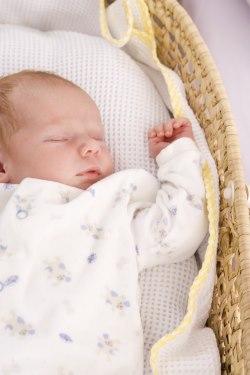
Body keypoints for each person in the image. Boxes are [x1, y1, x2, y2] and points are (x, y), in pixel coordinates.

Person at [0, 70, 208, 374]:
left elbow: (178, 230)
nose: (92, 147)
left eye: (98, 138)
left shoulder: (112, 206)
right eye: (60, 138)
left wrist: (177, 157)